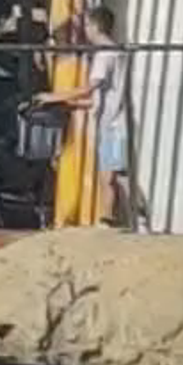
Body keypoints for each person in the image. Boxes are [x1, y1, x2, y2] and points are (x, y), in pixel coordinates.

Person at [80, 16, 137, 227]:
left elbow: (90, 87)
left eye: (86, 25)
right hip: (117, 119)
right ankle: (133, 212)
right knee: (117, 172)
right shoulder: (120, 51)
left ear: (95, 26)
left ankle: (108, 218)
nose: (85, 30)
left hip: (110, 123)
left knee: (107, 176)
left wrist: (54, 96)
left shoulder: (103, 56)